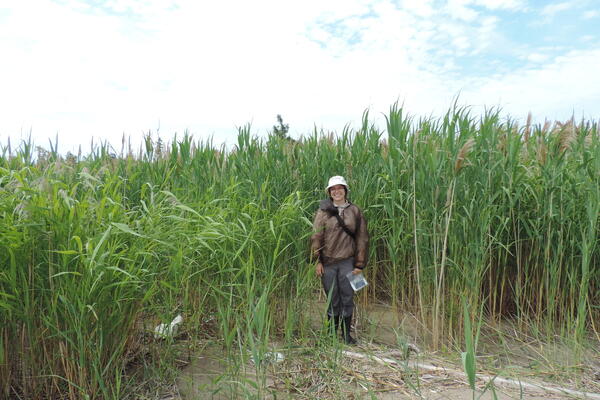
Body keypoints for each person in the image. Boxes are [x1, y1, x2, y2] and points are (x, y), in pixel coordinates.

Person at [310, 175, 369, 344]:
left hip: (348, 262)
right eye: (333, 189)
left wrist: (359, 264)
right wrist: (317, 261)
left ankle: (347, 336)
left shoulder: (355, 211)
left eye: (340, 188)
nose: (337, 191)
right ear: (329, 192)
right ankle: (331, 336)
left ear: (345, 190)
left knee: (347, 298)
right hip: (328, 263)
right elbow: (316, 237)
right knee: (332, 299)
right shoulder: (323, 212)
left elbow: (362, 238)